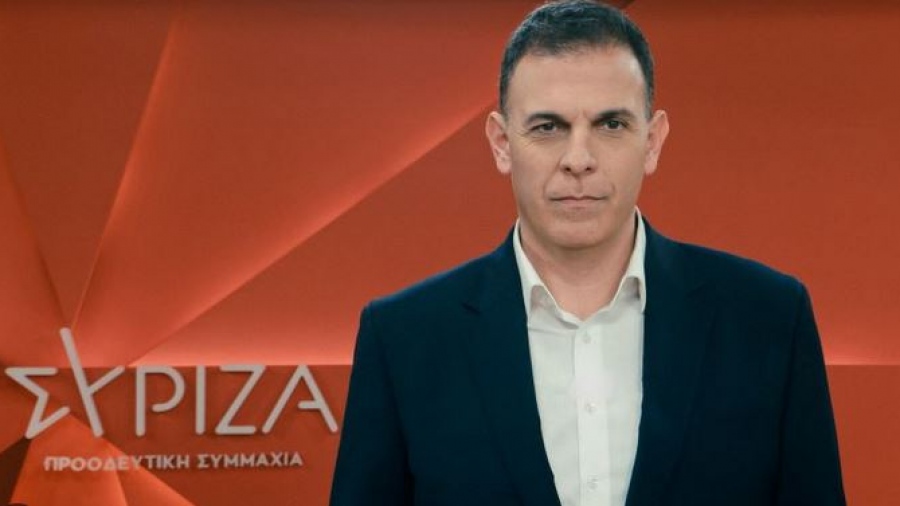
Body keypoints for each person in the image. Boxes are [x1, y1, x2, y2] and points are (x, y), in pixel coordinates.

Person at [329, 1, 846, 505]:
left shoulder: (769, 319)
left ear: (653, 141)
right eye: (548, 127)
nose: (578, 159)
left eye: (611, 125)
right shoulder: (403, 338)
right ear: (501, 143)